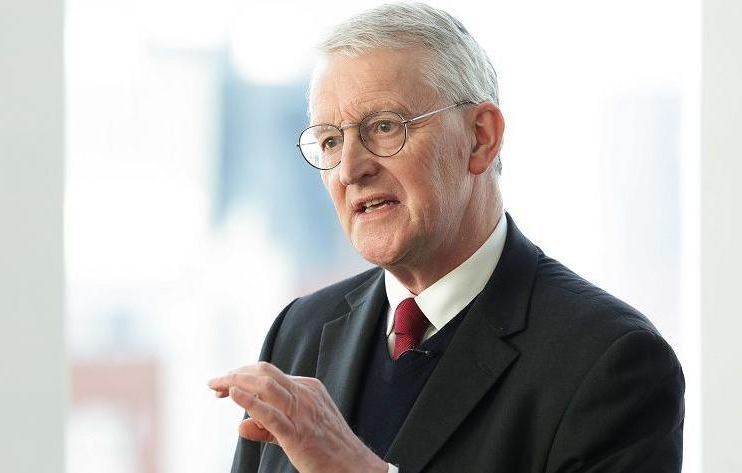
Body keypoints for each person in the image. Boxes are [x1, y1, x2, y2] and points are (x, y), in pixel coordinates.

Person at [208, 3, 685, 472]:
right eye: (331, 140)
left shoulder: (610, 360)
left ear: (480, 137)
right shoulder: (299, 331)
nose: (351, 170)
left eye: (384, 127)